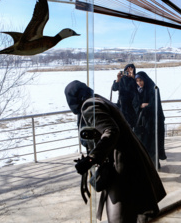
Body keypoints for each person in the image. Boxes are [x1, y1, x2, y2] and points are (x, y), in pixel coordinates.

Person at [65, 80, 166, 223]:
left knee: (120, 216)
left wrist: (91, 159)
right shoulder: (100, 100)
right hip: (127, 161)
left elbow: (111, 131)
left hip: (121, 165)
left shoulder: (89, 106)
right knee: (132, 211)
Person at [132, 71, 167, 167]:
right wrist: (140, 105)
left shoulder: (153, 88)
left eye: (141, 80)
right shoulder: (137, 90)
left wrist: (147, 106)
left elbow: (155, 104)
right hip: (144, 122)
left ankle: (155, 164)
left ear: (145, 80)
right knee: (145, 144)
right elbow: (134, 103)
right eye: (137, 81)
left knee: (153, 144)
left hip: (154, 121)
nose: (139, 83)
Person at [111, 64, 138, 128]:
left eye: (130, 71)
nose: (128, 73)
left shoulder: (137, 79)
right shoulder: (122, 79)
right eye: (126, 71)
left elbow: (139, 88)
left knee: (132, 126)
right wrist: (118, 79)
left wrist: (133, 77)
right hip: (122, 106)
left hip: (133, 107)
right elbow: (114, 88)